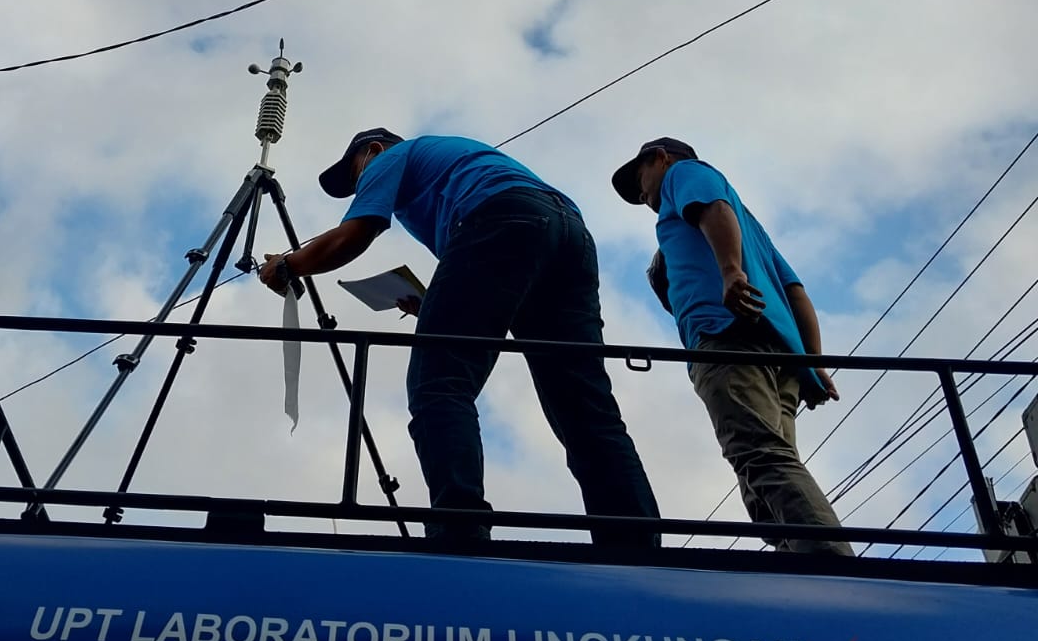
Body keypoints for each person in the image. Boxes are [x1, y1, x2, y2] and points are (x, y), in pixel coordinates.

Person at [259, 130, 660, 545]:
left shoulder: (389, 157)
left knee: (438, 383)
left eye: (356, 174)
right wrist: (434, 303)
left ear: (373, 151)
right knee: (583, 406)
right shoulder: (459, 167)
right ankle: (634, 542)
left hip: (504, 217)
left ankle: (459, 529)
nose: (361, 184)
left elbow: (355, 234)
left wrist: (290, 264)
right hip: (569, 233)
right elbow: (495, 279)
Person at [612, 137, 853, 557]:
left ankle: (831, 563)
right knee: (768, 475)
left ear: (660, 158)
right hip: (780, 357)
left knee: (760, 456)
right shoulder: (751, 225)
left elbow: (713, 210)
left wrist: (730, 274)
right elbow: (795, 291)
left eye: (640, 181)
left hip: (726, 339)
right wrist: (813, 365)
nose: (643, 195)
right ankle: (798, 565)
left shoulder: (685, 175)